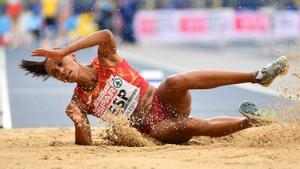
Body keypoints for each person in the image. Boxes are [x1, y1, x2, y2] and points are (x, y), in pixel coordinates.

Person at [20, 30, 289, 145]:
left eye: (60, 63)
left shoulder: (105, 60)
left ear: (73, 56)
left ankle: (257, 76)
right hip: (154, 128)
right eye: (55, 73)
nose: (60, 71)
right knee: (191, 126)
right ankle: (252, 122)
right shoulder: (78, 102)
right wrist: (79, 122)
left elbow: (105, 35)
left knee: (174, 82)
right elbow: (86, 145)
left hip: (164, 101)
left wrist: (63, 47)